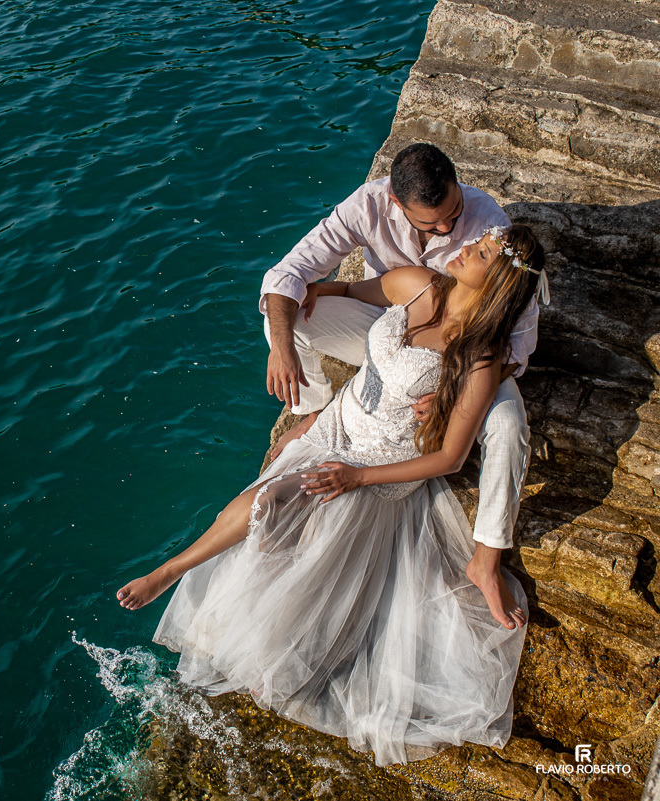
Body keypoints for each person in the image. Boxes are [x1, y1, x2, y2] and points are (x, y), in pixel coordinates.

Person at [116, 224, 547, 765]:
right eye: (475, 241)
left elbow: (450, 459)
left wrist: (355, 477)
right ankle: (174, 572)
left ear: (498, 281)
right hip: (339, 423)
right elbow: (352, 292)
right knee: (275, 515)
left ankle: (170, 574)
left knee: (274, 501)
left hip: (380, 463)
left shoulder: (480, 357)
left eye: (480, 252)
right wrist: (318, 299)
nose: (463, 248)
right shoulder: (418, 283)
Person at [262, 144, 538, 617]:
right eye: (432, 224)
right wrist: (282, 346)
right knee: (285, 321)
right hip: (390, 330)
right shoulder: (366, 205)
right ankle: (313, 411)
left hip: (468, 354)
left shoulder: (489, 225)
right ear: (395, 200)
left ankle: (486, 560)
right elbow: (289, 273)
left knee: (510, 426)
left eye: (453, 214)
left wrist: (453, 395)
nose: (448, 229)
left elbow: (517, 339)